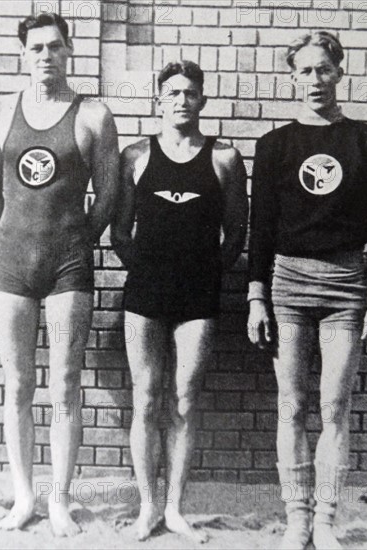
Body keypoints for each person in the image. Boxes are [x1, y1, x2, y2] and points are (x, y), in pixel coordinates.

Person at [247, 31, 367, 550]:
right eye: (305, 71)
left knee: (334, 404)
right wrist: (255, 296)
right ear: (293, 77)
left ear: (339, 72)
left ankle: (327, 520)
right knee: (291, 404)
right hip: (287, 282)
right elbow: (259, 226)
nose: (315, 80)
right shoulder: (275, 146)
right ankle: (296, 519)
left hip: (347, 284)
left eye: (323, 69)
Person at [0, 13, 119, 537]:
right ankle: (24, 498)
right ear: (23, 53)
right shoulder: (0, 110)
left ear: (69, 52)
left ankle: (59, 500)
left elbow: (108, 195)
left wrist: (75, 240)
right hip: (12, 264)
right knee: (17, 384)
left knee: (65, 384)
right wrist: (16, 234)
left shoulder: (93, 115)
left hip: (69, 265)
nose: (46, 56)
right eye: (36, 47)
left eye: (55, 47)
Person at [112, 61, 248, 543]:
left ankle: (175, 508)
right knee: (146, 399)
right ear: (159, 100)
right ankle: (147, 507)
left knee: (185, 401)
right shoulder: (135, 156)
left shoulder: (225, 158)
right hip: (145, 293)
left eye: (190, 93)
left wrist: (207, 271)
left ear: (203, 100)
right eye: (172, 93)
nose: (181, 100)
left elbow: (237, 233)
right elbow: (119, 230)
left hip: (198, 296)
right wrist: (147, 266)